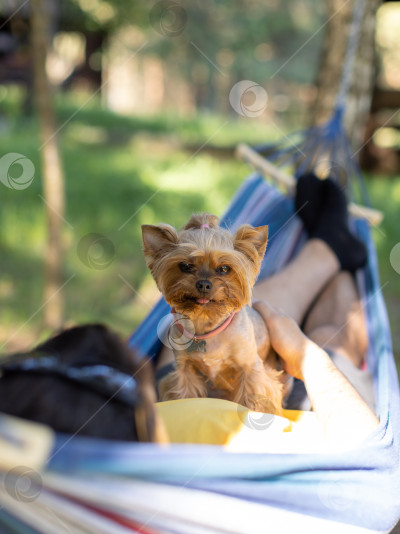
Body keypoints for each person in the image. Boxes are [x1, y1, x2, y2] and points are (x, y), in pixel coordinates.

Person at [154, 173, 380, 449]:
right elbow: (369, 443)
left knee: (219, 316)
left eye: (222, 269)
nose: (203, 281)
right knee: (330, 335)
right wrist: (305, 356)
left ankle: (328, 248)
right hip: (286, 405)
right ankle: (333, 253)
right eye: (187, 267)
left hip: (179, 410)